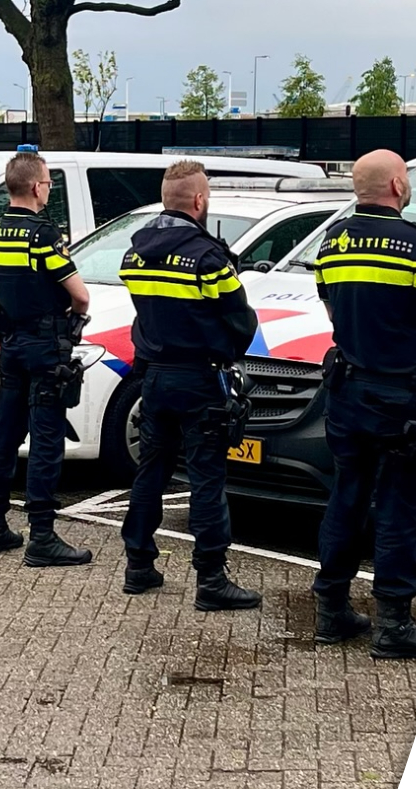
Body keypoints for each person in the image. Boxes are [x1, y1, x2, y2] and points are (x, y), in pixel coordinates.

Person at [310, 149, 416, 660]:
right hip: (400, 394)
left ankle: (331, 611)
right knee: (397, 507)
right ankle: (393, 622)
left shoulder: (332, 242)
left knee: (346, 497)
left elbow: (333, 310)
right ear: (398, 186)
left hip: (348, 388)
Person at [116, 160, 261, 607]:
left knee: (150, 473)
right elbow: (240, 321)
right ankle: (211, 580)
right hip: (199, 379)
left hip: (154, 379)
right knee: (206, 478)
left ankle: (138, 565)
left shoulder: (135, 253)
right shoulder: (208, 257)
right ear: (199, 200)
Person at [0, 149, 93, 565]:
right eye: (47, 183)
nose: (49, 189)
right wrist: (72, 313)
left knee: (4, 435)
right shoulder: (43, 234)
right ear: (35, 186)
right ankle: (41, 536)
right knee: (46, 441)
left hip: (11, 346)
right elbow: (79, 294)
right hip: (45, 348)